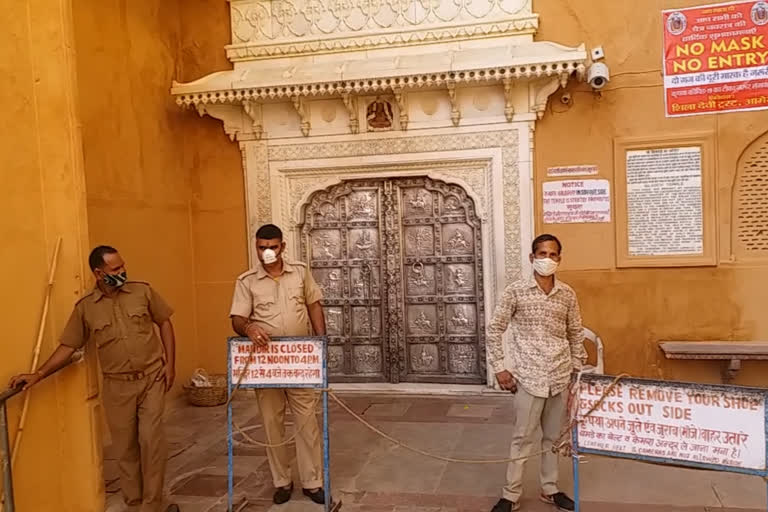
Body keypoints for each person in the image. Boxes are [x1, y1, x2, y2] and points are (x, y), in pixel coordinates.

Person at [9, 246, 179, 512]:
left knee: (151, 441)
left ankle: (153, 505)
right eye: (115, 269)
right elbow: (68, 347)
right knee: (125, 450)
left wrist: (170, 364)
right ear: (99, 273)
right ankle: (135, 504)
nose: (122, 271)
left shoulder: (142, 291)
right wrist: (38, 374)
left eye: (122, 266)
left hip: (151, 379)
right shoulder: (86, 308)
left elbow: (165, 322)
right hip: (116, 386)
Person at [486, 234, 586, 512]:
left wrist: (576, 369)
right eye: (542, 254)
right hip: (528, 378)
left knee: (553, 439)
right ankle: (510, 494)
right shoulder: (515, 292)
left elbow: (575, 332)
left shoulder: (567, 294)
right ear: (532, 258)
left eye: (553, 255)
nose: (547, 260)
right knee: (522, 438)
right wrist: (500, 367)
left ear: (559, 259)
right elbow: (495, 329)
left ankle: (550, 489)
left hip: (559, 376)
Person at [229, 224, 326, 505]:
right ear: (256, 248)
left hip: (299, 360)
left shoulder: (300, 272)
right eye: (261, 247)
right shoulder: (246, 281)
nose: (267, 252)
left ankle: (313, 482)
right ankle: (282, 481)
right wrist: (248, 328)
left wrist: (320, 344)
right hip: (267, 363)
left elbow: (314, 305)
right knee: (272, 423)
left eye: (272, 246)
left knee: (307, 423)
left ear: (282, 246)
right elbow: (237, 318)